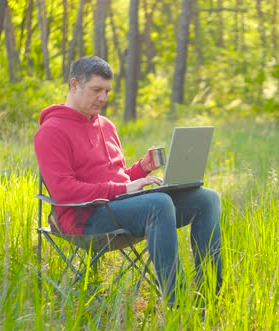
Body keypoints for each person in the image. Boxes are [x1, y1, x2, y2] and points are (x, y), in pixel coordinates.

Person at [34, 55, 222, 307]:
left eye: (107, 91)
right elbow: (64, 191)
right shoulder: (51, 131)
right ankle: (178, 306)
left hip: (118, 208)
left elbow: (117, 176)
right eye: (96, 90)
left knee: (207, 199)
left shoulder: (107, 126)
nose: (103, 98)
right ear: (74, 85)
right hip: (83, 220)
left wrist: (142, 169)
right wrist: (124, 188)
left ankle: (208, 297)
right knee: (159, 204)